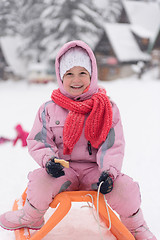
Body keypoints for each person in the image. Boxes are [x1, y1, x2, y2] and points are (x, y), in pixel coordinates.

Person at [0, 40, 157, 240]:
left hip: (96, 173)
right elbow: (39, 141)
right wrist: (49, 161)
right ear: (60, 76)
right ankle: (32, 216)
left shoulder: (107, 107)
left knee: (127, 188)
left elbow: (113, 146)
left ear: (92, 75)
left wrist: (109, 172)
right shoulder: (49, 108)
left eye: (82, 73)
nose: (76, 79)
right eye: (69, 74)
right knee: (39, 181)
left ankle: (136, 226)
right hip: (63, 171)